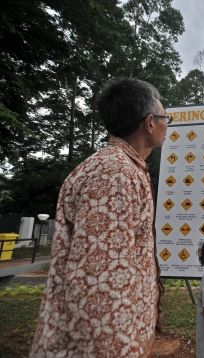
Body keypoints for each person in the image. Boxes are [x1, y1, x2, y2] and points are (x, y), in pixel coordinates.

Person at [30, 78, 170, 357]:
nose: (169, 125)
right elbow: (99, 286)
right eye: (167, 117)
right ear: (150, 122)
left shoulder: (123, 168)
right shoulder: (114, 174)